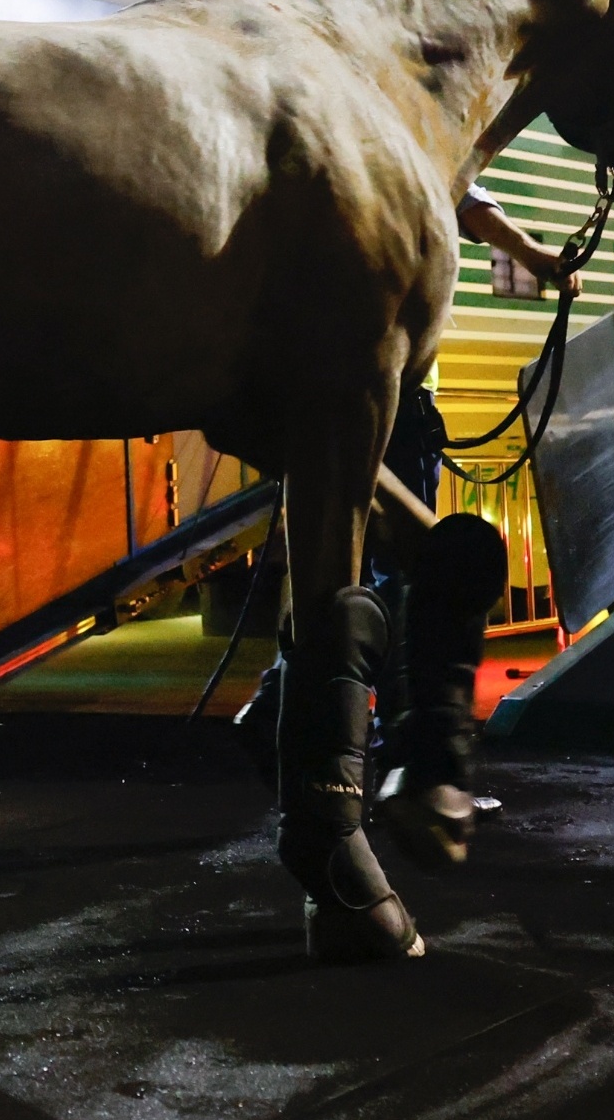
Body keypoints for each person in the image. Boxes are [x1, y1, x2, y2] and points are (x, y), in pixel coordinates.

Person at [233, 184, 577, 866]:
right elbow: (470, 196)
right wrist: (538, 257)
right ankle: (420, 766)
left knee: (341, 571)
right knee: (408, 580)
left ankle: (280, 714)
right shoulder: (408, 149)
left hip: (335, 401)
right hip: (392, 403)